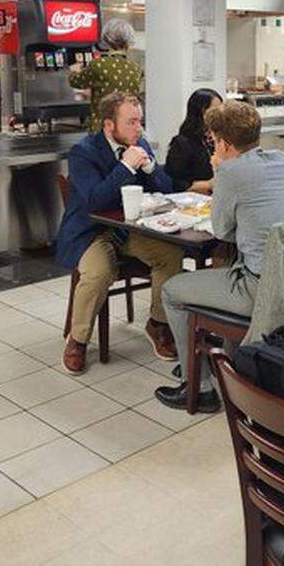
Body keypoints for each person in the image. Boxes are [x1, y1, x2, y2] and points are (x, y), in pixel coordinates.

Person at [154, 101, 284, 412]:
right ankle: (225, 363)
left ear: (223, 143)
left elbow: (222, 230)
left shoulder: (230, 172)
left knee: (172, 290)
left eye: (213, 140)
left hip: (262, 289)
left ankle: (197, 387)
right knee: (230, 266)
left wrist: (218, 171)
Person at [55, 92, 183, 375]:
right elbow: (94, 201)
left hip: (131, 230)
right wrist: (125, 166)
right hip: (92, 231)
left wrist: (150, 167)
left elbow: (168, 190)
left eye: (140, 122)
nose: (138, 129)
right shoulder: (84, 152)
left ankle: (158, 324)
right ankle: (77, 340)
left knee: (171, 254)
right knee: (100, 272)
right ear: (109, 125)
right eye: (131, 123)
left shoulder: (140, 144)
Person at [69, 18, 142, 133]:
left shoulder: (98, 65)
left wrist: (74, 69)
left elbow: (76, 82)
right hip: (126, 131)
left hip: (102, 131)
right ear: (129, 41)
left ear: (106, 39)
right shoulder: (135, 68)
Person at [165, 88, 222, 194]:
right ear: (201, 113)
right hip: (193, 201)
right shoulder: (182, 143)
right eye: (214, 111)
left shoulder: (218, 139)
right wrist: (209, 184)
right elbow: (175, 183)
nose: (219, 116)